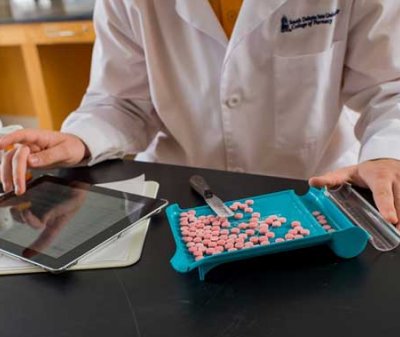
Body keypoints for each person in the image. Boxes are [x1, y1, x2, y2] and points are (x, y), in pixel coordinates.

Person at [1, 0, 400, 229]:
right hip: (178, 197)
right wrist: (81, 138)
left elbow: (389, 88)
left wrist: (387, 154)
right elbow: (122, 100)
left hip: (312, 193)